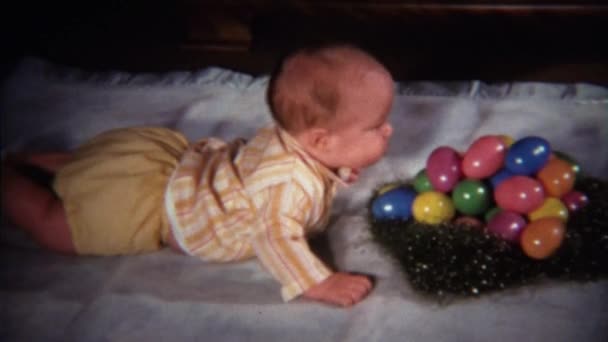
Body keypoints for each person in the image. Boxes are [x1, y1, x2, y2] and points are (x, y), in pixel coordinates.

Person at [1, 44, 394, 307]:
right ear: (321, 140)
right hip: (156, 205)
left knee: (91, 168)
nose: (389, 130)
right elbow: (275, 237)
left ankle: (32, 160)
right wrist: (319, 283)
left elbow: (307, 168)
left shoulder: (291, 142)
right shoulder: (287, 188)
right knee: (58, 227)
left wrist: (337, 169)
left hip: (166, 164)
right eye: (377, 126)